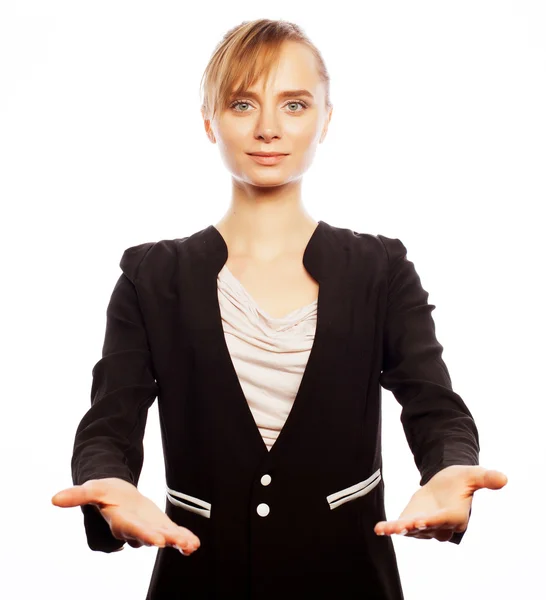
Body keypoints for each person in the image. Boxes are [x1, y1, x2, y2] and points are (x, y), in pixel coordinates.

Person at [51, 18, 508, 600]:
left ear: (326, 119)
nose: (268, 128)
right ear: (209, 121)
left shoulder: (381, 268)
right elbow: (110, 421)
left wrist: (447, 470)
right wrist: (106, 482)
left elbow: (433, 405)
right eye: (244, 104)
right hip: (201, 580)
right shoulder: (151, 276)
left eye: (294, 104)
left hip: (350, 578)